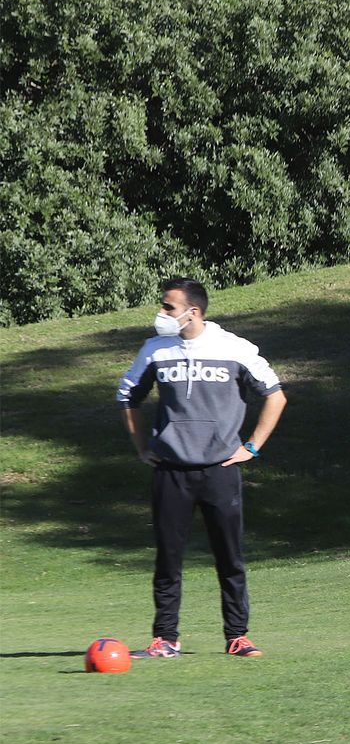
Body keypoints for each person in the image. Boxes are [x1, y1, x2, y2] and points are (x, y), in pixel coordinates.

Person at [117, 277, 287, 658]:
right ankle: (165, 639)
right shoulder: (155, 350)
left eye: (168, 307)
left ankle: (238, 636)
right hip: (170, 470)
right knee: (168, 558)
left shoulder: (235, 349)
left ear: (193, 312)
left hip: (220, 469)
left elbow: (275, 396)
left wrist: (251, 448)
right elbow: (128, 395)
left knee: (229, 556)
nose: (161, 314)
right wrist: (143, 447)